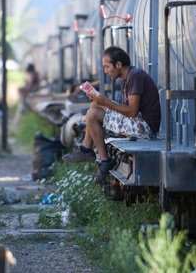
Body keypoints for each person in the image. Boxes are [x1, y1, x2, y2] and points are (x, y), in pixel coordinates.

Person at [62, 46, 161, 184]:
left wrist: (106, 102)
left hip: (144, 127)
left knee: (95, 107)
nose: (105, 71)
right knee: (93, 111)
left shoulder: (135, 76)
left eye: (107, 67)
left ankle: (90, 151)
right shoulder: (126, 78)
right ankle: (100, 157)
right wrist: (103, 101)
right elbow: (127, 111)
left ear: (118, 65)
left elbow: (132, 111)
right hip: (137, 122)